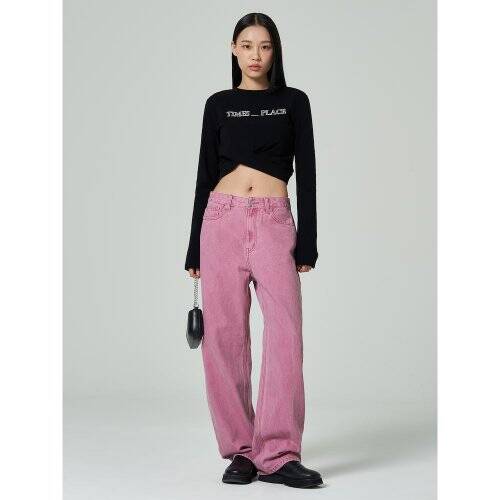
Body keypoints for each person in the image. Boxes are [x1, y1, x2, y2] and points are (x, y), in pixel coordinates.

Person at [184, 13, 323, 489]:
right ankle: (241, 451)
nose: (256, 55)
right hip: (220, 221)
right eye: (247, 45)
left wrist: (308, 240)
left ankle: (279, 453)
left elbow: (307, 172)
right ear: (233, 49)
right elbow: (204, 175)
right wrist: (193, 248)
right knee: (224, 338)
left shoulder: (294, 102)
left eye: (264, 46)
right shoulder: (218, 105)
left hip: (273, 221)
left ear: (275, 51)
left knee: (285, 334)